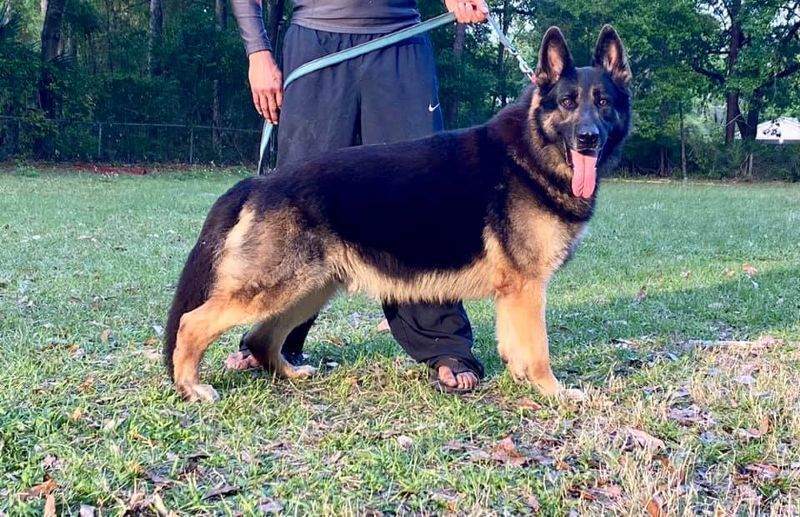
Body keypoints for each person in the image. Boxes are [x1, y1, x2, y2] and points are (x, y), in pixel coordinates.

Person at [227, 0, 489, 393]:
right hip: (316, 41)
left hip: (401, 41)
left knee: (422, 199)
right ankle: (273, 339)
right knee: (302, 203)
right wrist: (258, 52)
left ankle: (444, 341)